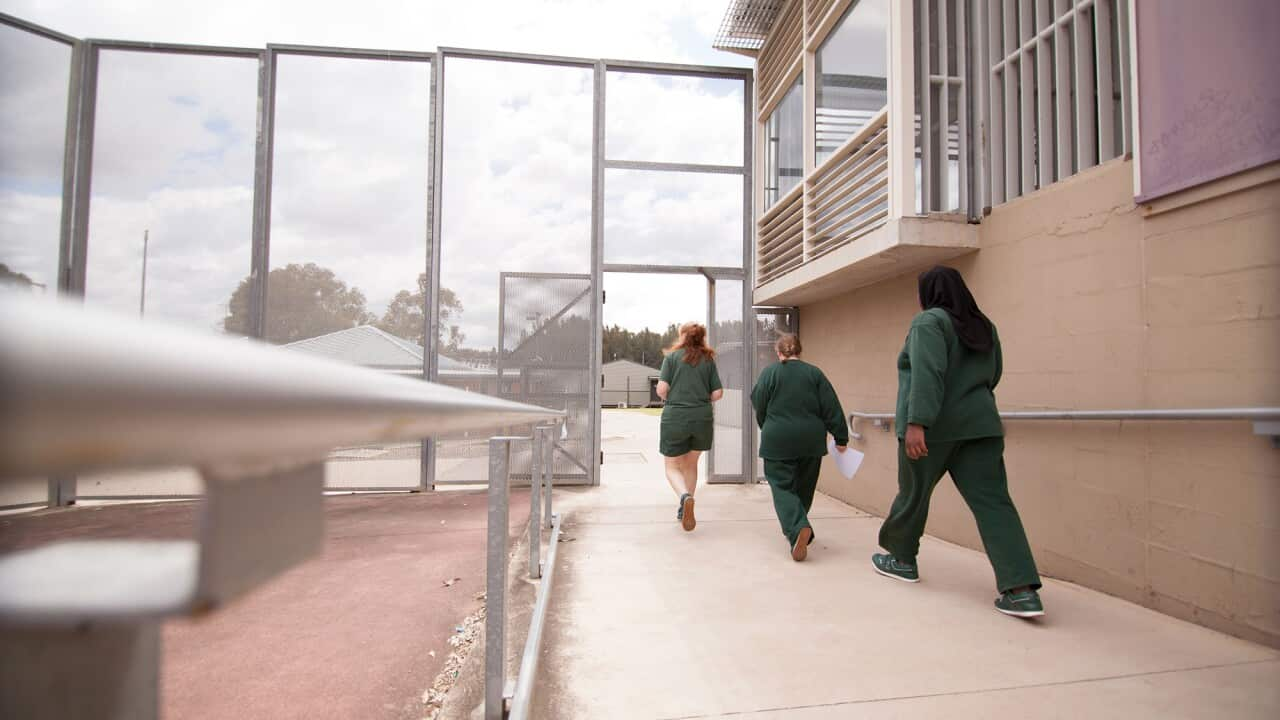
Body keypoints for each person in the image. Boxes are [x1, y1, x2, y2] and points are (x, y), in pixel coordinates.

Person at [873, 265, 1044, 617]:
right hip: (981, 428)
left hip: (931, 430)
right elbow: (993, 375)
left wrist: (918, 422)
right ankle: (1021, 590)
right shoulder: (984, 326)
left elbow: (926, 372)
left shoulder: (928, 323)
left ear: (929, 293)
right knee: (995, 505)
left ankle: (902, 559)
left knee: (913, 495)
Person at [750, 333, 849, 562]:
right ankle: (799, 526)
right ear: (799, 351)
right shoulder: (814, 373)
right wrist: (841, 437)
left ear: (778, 352)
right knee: (804, 487)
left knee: (782, 487)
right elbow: (831, 406)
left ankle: (797, 527)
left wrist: (767, 425)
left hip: (778, 439)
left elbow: (759, 402)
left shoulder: (770, 373)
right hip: (811, 441)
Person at [656, 322, 723, 531]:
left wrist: (672, 393)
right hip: (701, 417)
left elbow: (661, 389)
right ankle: (685, 505)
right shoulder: (708, 360)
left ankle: (684, 497)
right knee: (691, 464)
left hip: (675, 416)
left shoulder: (672, 358)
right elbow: (717, 393)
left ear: (683, 336)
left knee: (671, 466)